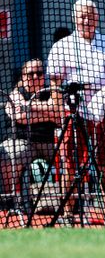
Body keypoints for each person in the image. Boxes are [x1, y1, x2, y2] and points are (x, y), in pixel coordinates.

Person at [46, 0, 105, 224]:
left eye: (91, 16)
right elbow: (55, 82)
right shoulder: (62, 46)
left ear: (97, 17)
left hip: (103, 114)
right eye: (82, 16)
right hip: (75, 113)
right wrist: (57, 111)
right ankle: (66, 213)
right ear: (75, 18)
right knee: (71, 165)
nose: (87, 20)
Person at [0, 59, 61, 196]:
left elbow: (59, 114)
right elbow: (21, 117)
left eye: (39, 73)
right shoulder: (16, 93)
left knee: (69, 156)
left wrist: (28, 106)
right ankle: (12, 200)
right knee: (8, 156)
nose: (35, 77)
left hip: (50, 142)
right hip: (22, 141)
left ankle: (68, 202)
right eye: (30, 74)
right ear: (23, 76)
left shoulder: (52, 92)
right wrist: (50, 112)